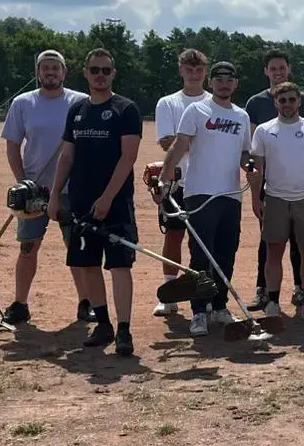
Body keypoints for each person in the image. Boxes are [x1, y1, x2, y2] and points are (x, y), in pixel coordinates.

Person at [49, 49, 142, 356]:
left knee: (119, 266)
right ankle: (103, 324)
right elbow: (67, 156)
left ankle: (124, 329)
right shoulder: (76, 110)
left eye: (105, 70)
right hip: (80, 203)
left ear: (113, 74)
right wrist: (55, 194)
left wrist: (107, 198)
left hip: (116, 203)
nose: (100, 75)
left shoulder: (125, 109)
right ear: (85, 73)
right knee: (87, 264)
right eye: (94, 70)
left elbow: (128, 158)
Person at [156, 60, 250, 337]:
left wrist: (251, 167)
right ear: (212, 82)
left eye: (229, 79)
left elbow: (245, 153)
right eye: (219, 78)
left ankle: (219, 306)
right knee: (200, 254)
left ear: (236, 84)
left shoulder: (242, 116)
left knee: (226, 252)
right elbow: (179, 146)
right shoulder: (196, 110)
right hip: (199, 194)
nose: (224, 83)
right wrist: (163, 179)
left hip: (231, 195)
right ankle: (199, 312)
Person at [0, 49, 88, 326]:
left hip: (72, 189)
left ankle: (86, 303)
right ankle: (20, 304)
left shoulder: (80, 102)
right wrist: (23, 182)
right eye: (45, 68)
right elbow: (13, 146)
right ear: (38, 73)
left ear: (64, 72)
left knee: (76, 249)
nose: (50, 72)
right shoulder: (23, 103)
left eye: (55, 68)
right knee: (28, 248)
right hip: (34, 192)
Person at [248, 82, 304, 321]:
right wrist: (256, 199)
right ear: (275, 102)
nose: (287, 104)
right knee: (274, 252)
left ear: (299, 101)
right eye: (282, 100)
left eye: (291, 100)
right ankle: (273, 302)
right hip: (275, 198)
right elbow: (257, 168)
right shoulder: (263, 130)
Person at [245, 50, 304, 310]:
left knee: (299, 240)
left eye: (282, 67)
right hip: (269, 184)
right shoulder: (255, 103)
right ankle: (264, 290)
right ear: (266, 71)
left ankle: (300, 288)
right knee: (269, 241)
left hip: (299, 182)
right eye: (273, 68)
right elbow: (253, 148)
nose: (278, 72)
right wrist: (255, 182)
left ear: (288, 68)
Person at [150, 48, 212, 320]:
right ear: (181, 71)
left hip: (207, 182)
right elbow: (166, 142)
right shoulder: (168, 103)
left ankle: (205, 294)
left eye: (199, 70)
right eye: (189, 69)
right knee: (173, 236)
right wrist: (200, 141)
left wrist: (185, 140)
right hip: (177, 182)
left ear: (205, 72)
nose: (194, 75)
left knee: (203, 242)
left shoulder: (214, 102)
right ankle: (169, 294)